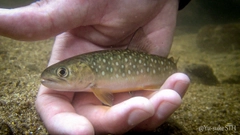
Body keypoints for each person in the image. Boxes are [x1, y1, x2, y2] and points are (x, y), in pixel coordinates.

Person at [0, 0, 190, 134]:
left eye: (63, 72)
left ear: (84, 69)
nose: (60, 75)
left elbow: (106, 96)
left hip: (161, 68)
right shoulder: (95, 84)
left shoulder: (96, 84)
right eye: (62, 72)